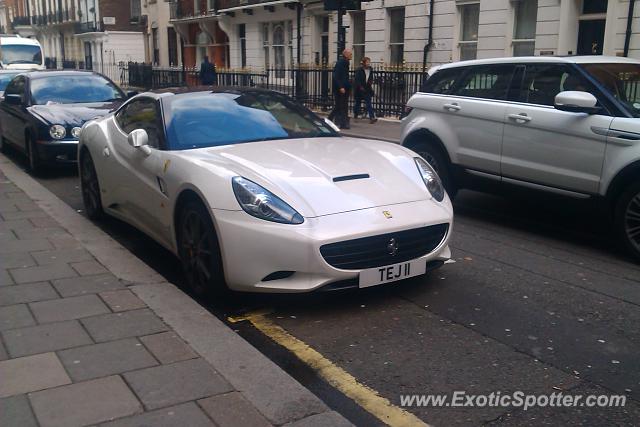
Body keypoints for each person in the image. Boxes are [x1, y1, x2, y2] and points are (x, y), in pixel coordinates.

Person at [328, 48, 352, 129]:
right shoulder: (340, 63)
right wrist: (341, 87)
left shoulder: (345, 62)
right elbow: (336, 76)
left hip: (344, 87)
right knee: (339, 105)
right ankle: (330, 120)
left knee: (342, 106)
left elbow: (344, 76)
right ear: (345, 54)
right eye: (350, 54)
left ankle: (342, 123)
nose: (351, 55)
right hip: (340, 89)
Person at [353, 57, 377, 123]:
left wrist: (370, 82)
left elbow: (371, 77)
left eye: (369, 62)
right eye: (367, 62)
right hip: (359, 89)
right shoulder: (359, 70)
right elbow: (357, 80)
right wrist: (360, 87)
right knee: (358, 103)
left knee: (368, 103)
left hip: (367, 89)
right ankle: (355, 115)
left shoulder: (370, 69)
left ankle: (372, 117)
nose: (368, 63)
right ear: (364, 63)